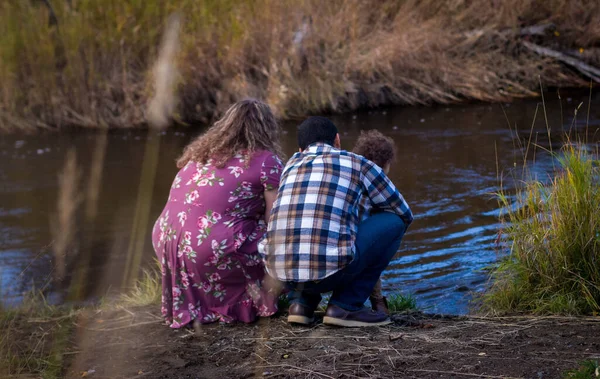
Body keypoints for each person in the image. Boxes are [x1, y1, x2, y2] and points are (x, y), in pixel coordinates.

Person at [262, 116, 413, 327]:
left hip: (282, 275)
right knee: (395, 222)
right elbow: (403, 212)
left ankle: (300, 304)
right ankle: (346, 305)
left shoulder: (290, 166)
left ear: (300, 148)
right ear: (337, 140)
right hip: (330, 274)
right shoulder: (357, 163)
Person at [152, 99, 284, 328]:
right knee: (280, 234)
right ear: (267, 128)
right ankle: (257, 300)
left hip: (167, 240)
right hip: (209, 246)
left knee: (231, 228)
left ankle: (201, 304)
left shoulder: (198, 155)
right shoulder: (266, 162)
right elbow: (275, 220)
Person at [352, 129, 398, 315]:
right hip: (356, 248)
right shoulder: (379, 185)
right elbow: (402, 212)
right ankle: (378, 302)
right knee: (378, 249)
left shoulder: (350, 177)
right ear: (387, 163)